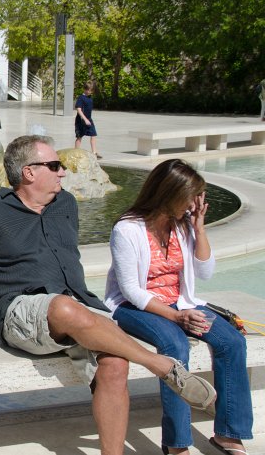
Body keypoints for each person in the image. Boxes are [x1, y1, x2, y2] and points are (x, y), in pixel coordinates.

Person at [0, 135, 216, 455]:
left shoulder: (66, 204)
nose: (63, 172)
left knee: (115, 365)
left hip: (79, 307)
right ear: (29, 172)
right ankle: (163, 367)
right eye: (55, 166)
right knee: (62, 306)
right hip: (21, 310)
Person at [105, 159, 252, 455]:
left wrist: (199, 228)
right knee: (175, 346)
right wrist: (176, 317)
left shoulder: (183, 225)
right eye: (190, 197)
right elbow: (132, 291)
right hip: (135, 307)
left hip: (179, 302)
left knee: (232, 341)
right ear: (169, 193)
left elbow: (205, 272)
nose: (194, 204)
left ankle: (228, 433)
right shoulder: (127, 229)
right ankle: (177, 443)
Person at [75, 80, 101, 159]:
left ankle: (94, 152)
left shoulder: (89, 97)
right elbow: (79, 110)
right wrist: (85, 119)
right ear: (85, 89)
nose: (91, 92)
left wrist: (88, 120)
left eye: (92, 90)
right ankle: (76, 153)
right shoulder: (81, 98)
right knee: (79, 137)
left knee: (93, 135)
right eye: (90, 90)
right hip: (81, 121)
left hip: (89, 120)